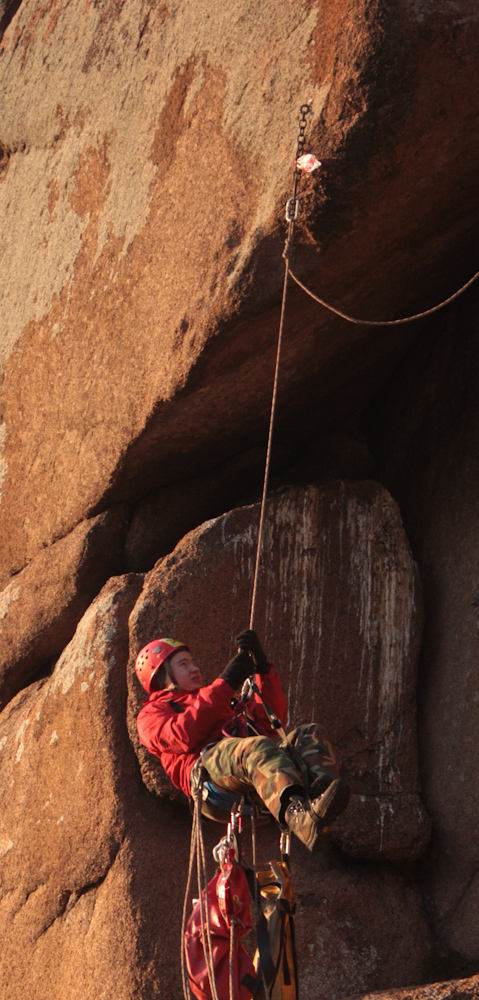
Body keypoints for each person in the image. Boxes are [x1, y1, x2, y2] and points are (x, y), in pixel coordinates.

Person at [135, 630, 350, 852]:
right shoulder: (151, 714)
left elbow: (269, 722)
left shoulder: (218, 701)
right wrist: (225, 683)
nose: (195, 668)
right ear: (162, 675)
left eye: (193, 663)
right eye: (184, 664)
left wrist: (263, 669)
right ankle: (298, 816)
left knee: (309, 735)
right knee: (255, 747)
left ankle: (319, 802)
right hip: (208, 776)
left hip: (246, 766)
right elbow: (183, 734)